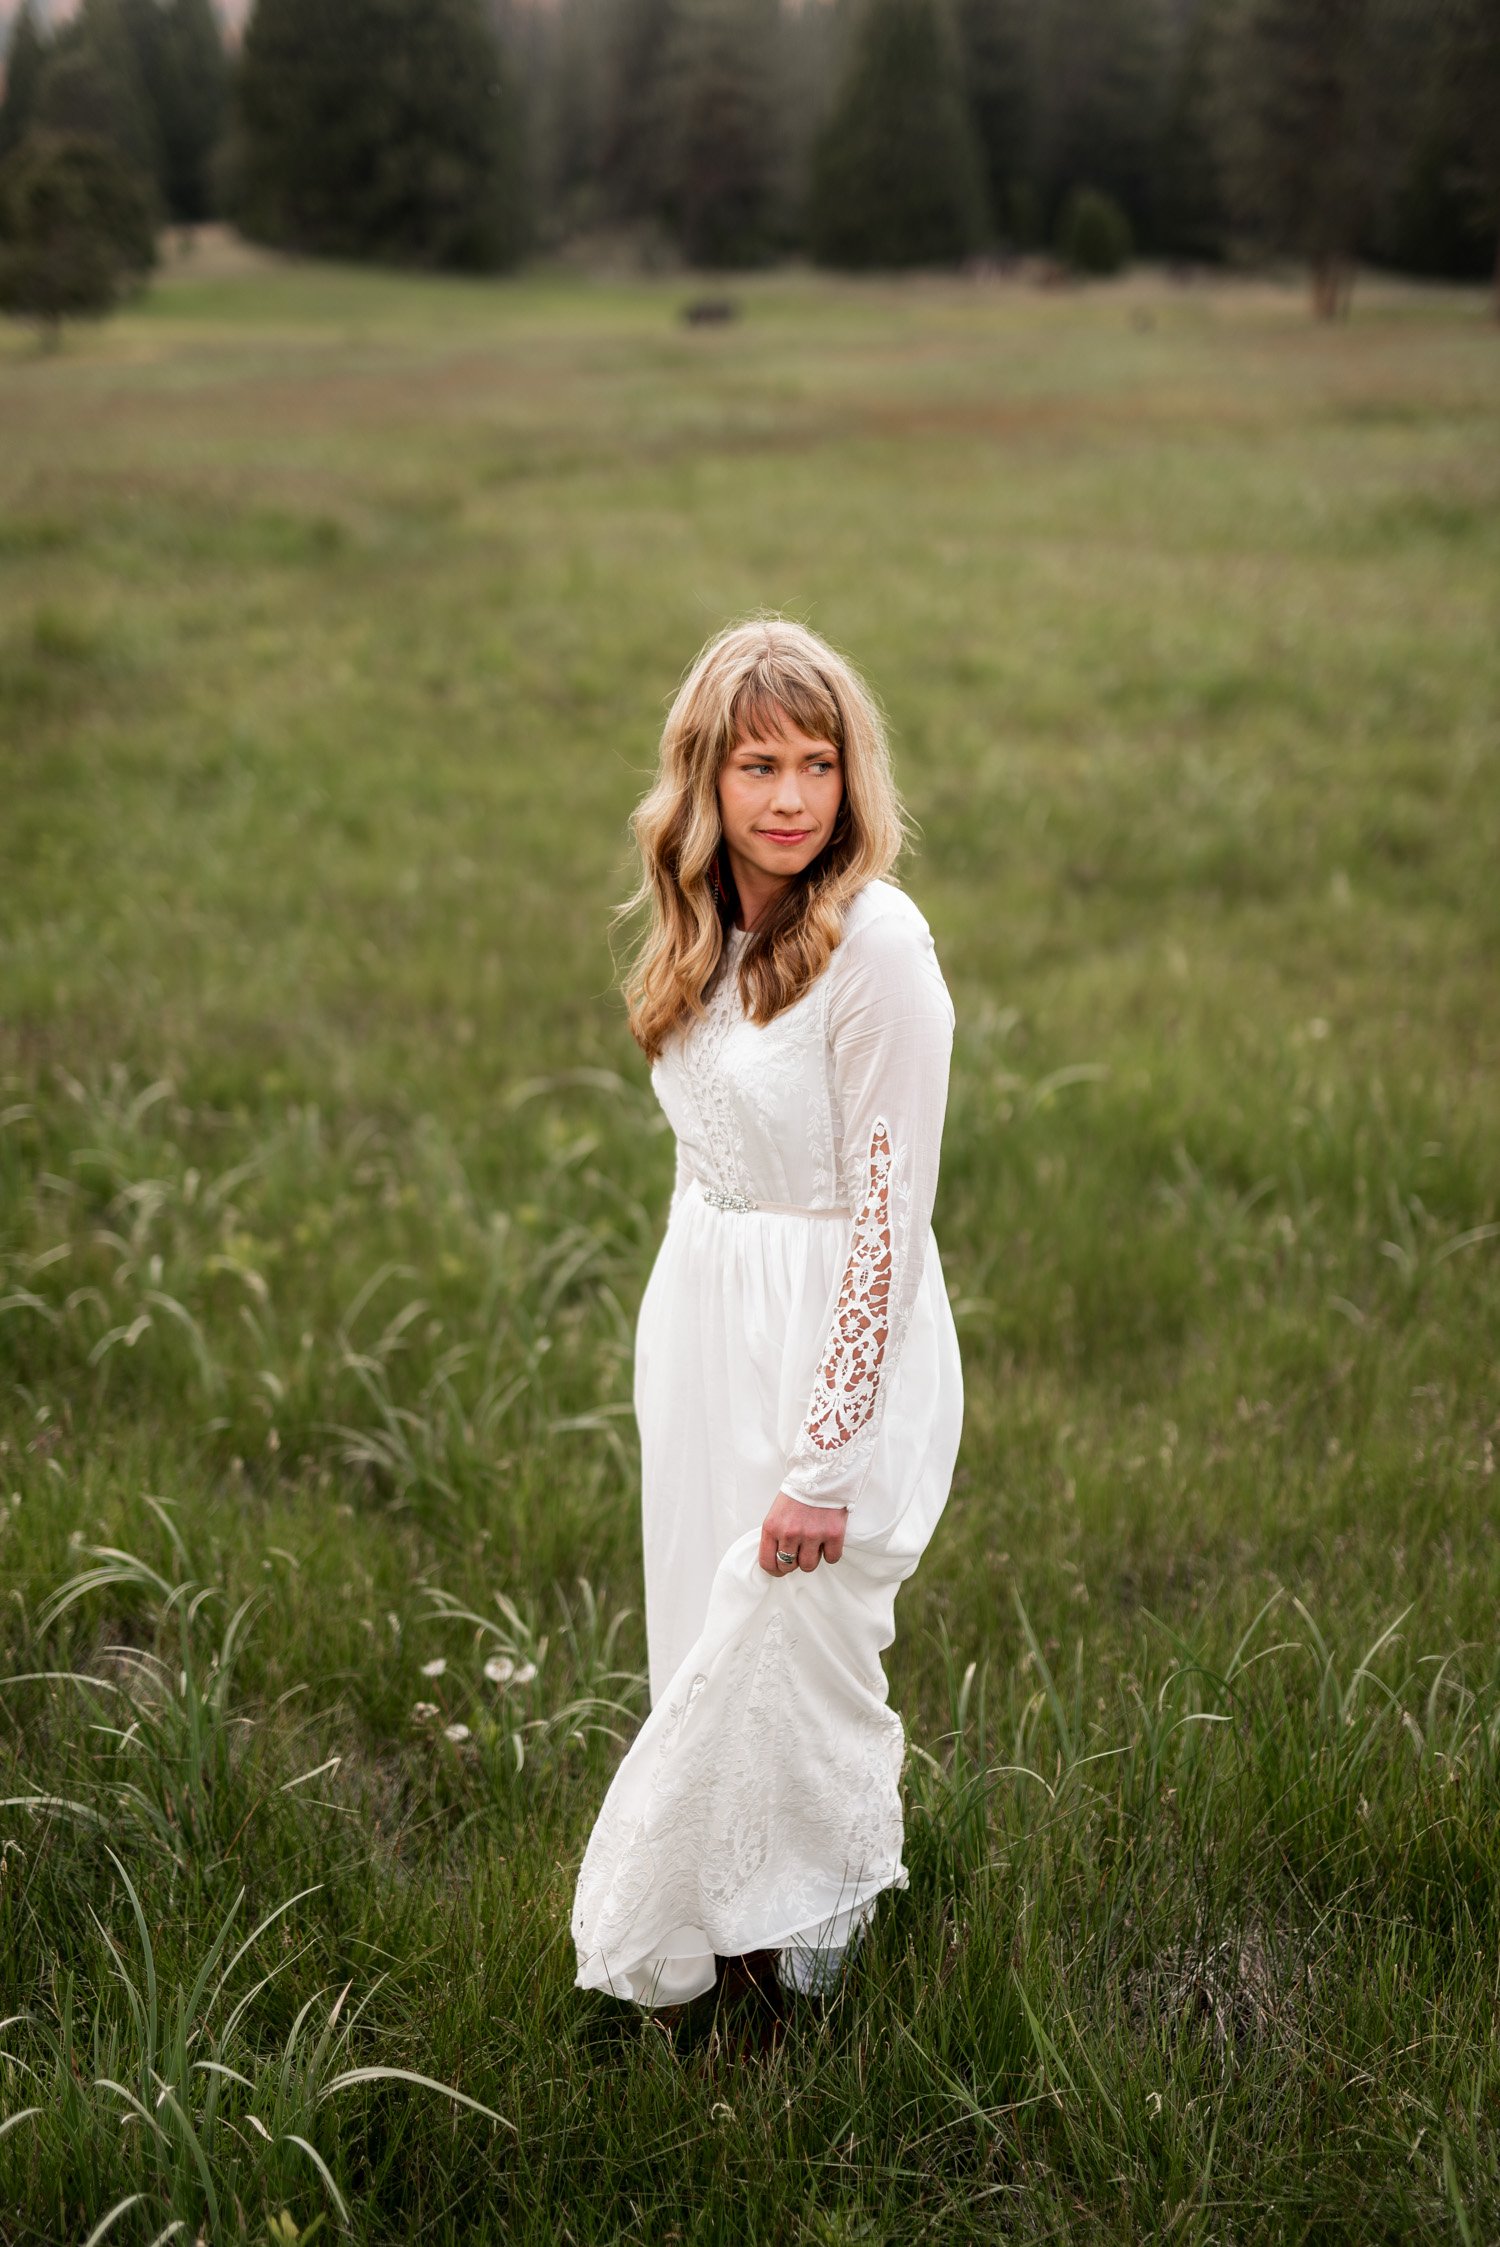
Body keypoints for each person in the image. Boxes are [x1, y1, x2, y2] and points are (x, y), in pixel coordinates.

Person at [571, 615, 963, 2018]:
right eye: (757, 767)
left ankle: (803, 1958)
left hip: (826, 1342)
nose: (791, 799)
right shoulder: (703, 932)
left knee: (799, 1652)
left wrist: (824, 1459)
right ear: (705, 781)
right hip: (702, 1327)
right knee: (707, 1641)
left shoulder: (881, 948)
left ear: (852, 779)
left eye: (817, 765)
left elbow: (888, 1223)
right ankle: (719, 1927)